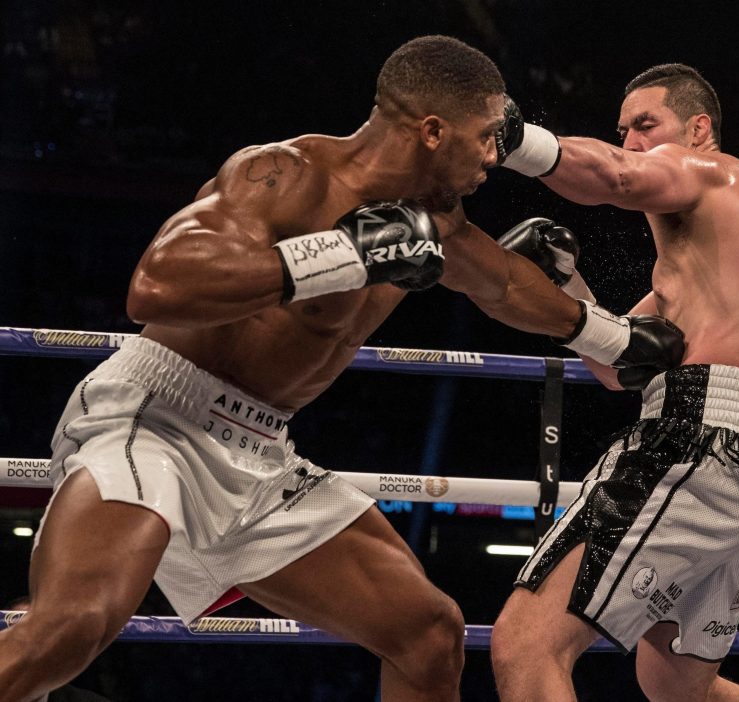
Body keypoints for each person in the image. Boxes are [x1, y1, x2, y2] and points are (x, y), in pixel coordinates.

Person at [0, 36, 685, 702]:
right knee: (73, 625)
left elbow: (502, 282)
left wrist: (610, 336)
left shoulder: (435, 221)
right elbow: (155, 287)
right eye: (484, 138)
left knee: (429, 634)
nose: (493, 157)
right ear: (433, 131)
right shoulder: (285, 174)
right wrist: (339, 256)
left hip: (262, 450)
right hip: (161, 417)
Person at [489, 63, 739, 701]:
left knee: (526, 642)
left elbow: (616, 178)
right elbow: (617, 366)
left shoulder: (721, 172)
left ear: (697, 129)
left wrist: (512, 139)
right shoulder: (709, 263)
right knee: (675, 687)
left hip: (698, 444)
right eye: (622, 130)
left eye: (646, 125)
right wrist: (567, 281)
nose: (631, 143)